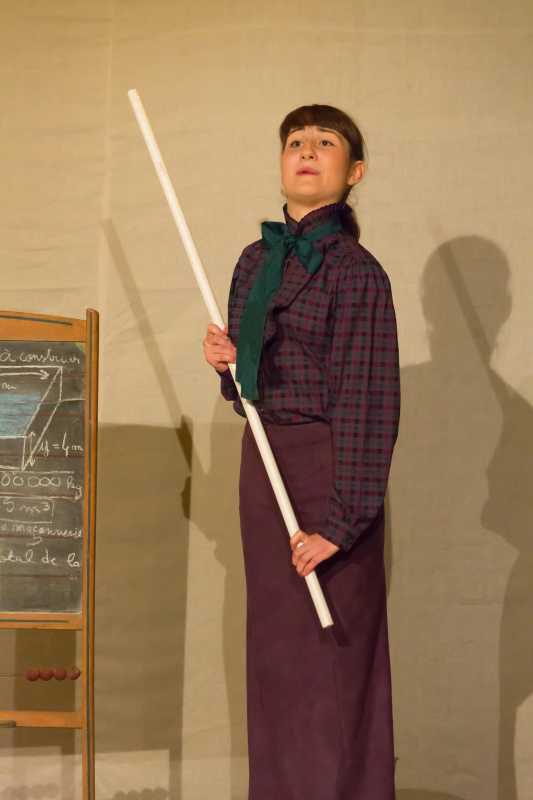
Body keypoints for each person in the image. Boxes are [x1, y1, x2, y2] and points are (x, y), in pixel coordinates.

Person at [203, 104, 400, 800]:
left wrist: (341, 525)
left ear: (355, 171)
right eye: (294, 142)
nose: (307, 152)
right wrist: (229, 365)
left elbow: (369, 404)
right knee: (278, 662)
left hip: (330, 473)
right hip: (263, 469)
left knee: (331, 665)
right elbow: (248, 398)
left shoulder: (356, 272)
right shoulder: (254, 262)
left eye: (325, 142)